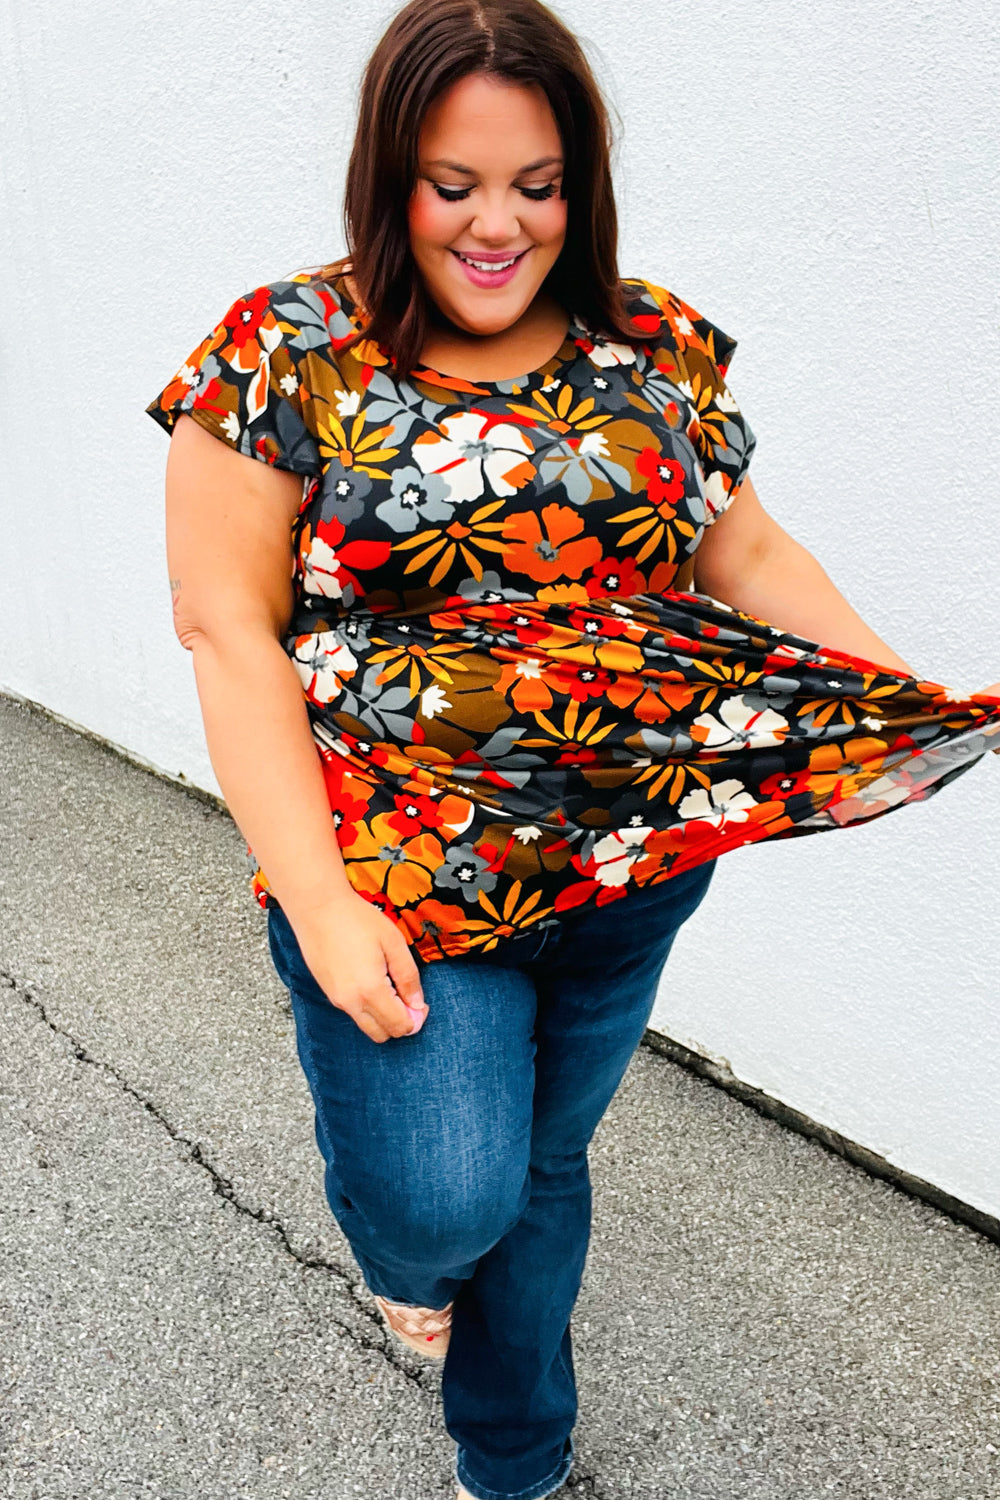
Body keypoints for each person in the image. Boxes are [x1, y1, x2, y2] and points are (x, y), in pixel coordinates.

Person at [146, 2, 1000, 1495]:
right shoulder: (285, 349)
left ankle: (514, 1454)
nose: (497, 225)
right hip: (400, 873)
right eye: (451, 181)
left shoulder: (650, 338)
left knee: (540, 1172)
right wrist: (322, 900)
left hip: (635, 861)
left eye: (537, 184)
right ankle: (409, 1265)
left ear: (580, 183)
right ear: (386, 173)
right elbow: (228, 632)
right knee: (437, 1198)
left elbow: (743, 542)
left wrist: (898, 698)